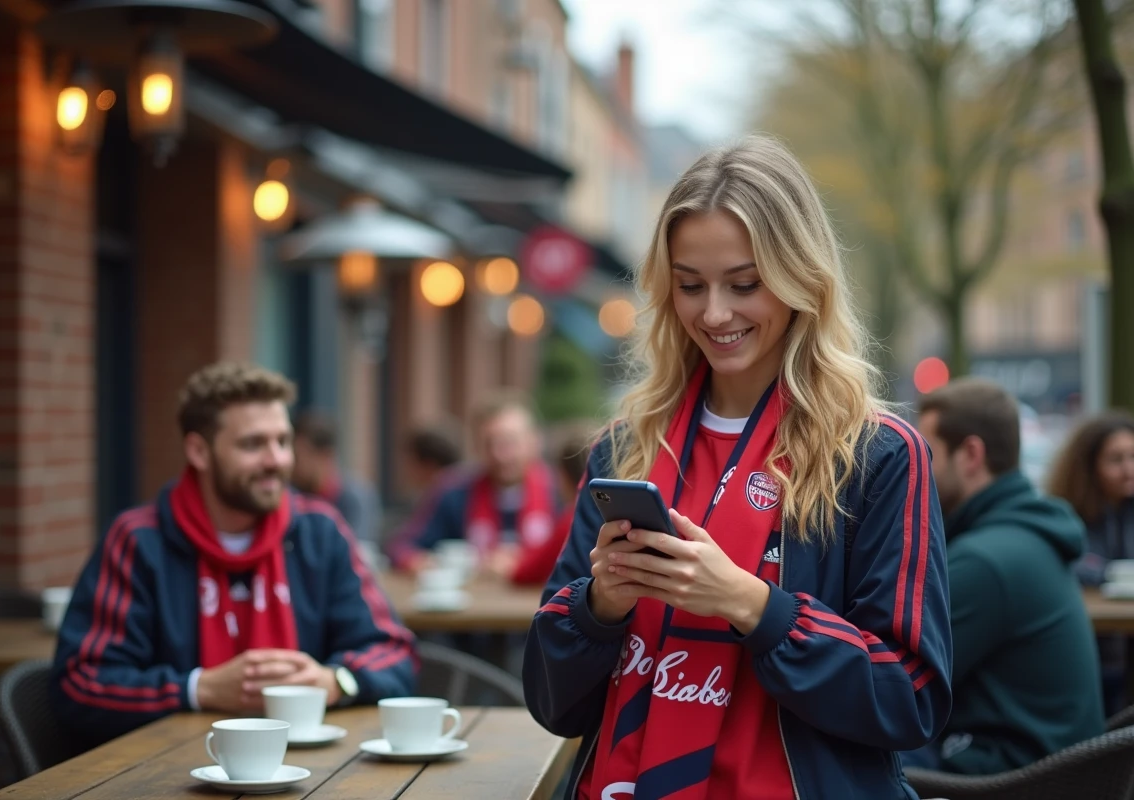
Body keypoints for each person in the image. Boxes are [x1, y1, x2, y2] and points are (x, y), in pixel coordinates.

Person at [523, 136, 952, 799]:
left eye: (744, 284)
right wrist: (601, 606)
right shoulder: (623, 448)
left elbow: (909, 700)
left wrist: (753, 607)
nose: (714, 313)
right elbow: (553, 705)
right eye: (690, 285)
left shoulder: (878, 453)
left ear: (802, 280)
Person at [51, 363, 416, 747]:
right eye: (253, 444)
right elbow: (81, 683)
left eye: (283, 441)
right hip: (162, 772)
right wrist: (198, 689)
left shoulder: (320, 530)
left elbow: (394, 650)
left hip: (314, 771)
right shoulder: (139, 540)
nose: (276, 460)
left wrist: (335, 681)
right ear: (198, 451)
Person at [908, 378, 1102, 774]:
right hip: (1053, 769)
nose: (915, 469)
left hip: (1009, 778)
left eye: (927, 454)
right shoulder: (1021, 535)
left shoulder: (984, 561)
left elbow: (899, 686)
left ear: (971, 454)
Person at [399, 393, 559, 575]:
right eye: (489, 444)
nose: (500, 455)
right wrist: (421, 562)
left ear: (534, 441)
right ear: (476, 446)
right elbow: (404, 546)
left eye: (509, 443)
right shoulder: (455, 492)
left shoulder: (560, 492)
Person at [1047, 409, 1134, 714]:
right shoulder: (1066, 515)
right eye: (1116, 460)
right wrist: (1114, 574)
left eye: (1132, 457)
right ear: (1089, 465)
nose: (1128, 469)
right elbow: (1076, 564)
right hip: (1086, 652)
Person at [507, 426, 595, 586]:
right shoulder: (605, 512)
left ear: (564, 475)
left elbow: (529, 571)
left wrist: (506, 565)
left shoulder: (574, 517)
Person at [291, 410, 382, 544]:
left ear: (326, 455)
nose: (292, 464)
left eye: (298, 456)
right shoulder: (291, 495)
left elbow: (358, 552)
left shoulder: (356, 498)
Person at [385, 424, 469, 569]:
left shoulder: (445, 490)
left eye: (410, 462)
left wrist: (409, 558)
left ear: (428, 464)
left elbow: (403, 544)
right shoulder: (460, 483)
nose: (406, 470)